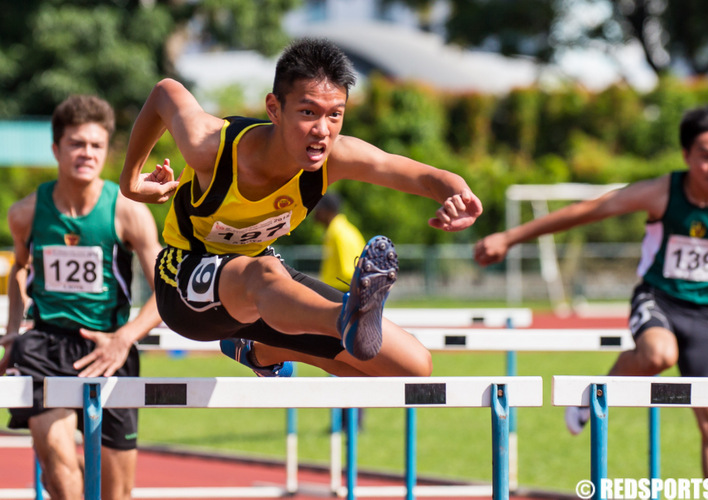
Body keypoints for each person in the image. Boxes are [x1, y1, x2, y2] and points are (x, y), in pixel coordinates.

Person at [119, 37, 482, 378]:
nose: (322, 130)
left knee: (412, 366)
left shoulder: (335, 158)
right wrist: (131, 181)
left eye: (335, 115)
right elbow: (165, 91)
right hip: (186, 283)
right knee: (263, 272)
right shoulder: (210, 147)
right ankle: (345, 319)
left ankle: (262, 350)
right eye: (308, 112)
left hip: (267, 295)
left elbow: (420, 175)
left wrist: (457, 194)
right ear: (274, 109)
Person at [474, 104, 708, 492]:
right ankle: (595, 396)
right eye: (706, 156)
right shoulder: (662, 193)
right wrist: (509, 238)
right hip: (658, 301)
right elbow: (590, 210)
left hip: (706, 317)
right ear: (687, 156)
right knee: (658, 354)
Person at [0, 95, 163, 500]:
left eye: (96, 145)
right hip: (45, 345)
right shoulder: (25, 213)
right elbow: (19, 270)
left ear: (107, 150)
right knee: (59, 474)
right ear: (56, 149)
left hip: (110, 347)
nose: (86, 153)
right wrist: (12, 330)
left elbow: (168, 290)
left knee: (115, 493)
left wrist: (125, 338)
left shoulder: (128, 211)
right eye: (76, 143)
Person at [313, 191, 366, 292]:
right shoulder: (338, 231)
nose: (314, 213)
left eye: (317, 209)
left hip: (341, 294)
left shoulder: (340, 234)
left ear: (327, 211)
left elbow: (350, 274)